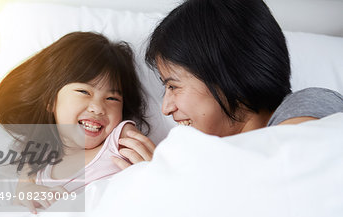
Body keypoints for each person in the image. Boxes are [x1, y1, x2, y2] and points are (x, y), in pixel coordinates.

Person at [0, 32, 155, 213]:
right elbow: (21, 195)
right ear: (50, 101)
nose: (98, 108)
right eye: (84, 92)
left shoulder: (120, 139)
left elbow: (156, 170)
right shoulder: (38, 156)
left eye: (112, 98)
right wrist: (29, 191)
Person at [142, 0, 343, 137]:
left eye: (173, 86)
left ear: (229, 76)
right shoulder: (225, 152)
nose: (166, 108)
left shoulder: (309, 106)